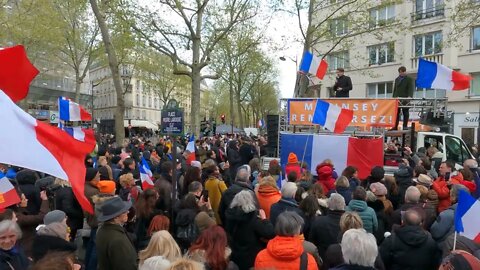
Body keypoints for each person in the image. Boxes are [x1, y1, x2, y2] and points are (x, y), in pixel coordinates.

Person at [225, 190, 275, 269]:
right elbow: (270, 233)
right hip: (251, 257)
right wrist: (265, 219)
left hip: (235, 255)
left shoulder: (229, 216)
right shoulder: (252, 218)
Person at [96, 197, 137, 270]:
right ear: (115, 218)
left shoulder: (102, 230)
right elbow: (125, 266)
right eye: (124, 211)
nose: (128, 212)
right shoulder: (118, 240)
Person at [309, 193, 345, 258]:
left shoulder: (318, 221)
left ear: (328, 205)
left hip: (322, 258)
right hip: (342, 259)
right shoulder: (348, 223)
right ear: (343, 205)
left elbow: (311, 241)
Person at [392, 66, 414, 130]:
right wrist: (393, 97)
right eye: (401, 72)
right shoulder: (397, 79)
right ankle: (395, 126)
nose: (402, 73)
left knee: (405, 112)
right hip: (397, 98)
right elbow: (395, 89)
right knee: (396, 113)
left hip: (405, 98)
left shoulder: (409, 79)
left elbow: (411, 88)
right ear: (399, 72)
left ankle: (405, 126)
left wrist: (410, 96)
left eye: (403, 72)